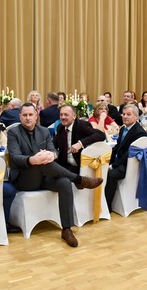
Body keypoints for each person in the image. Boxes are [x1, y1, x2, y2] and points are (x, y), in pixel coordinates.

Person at [7, 103, 103, 247]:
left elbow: (54, 150)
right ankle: (79, 179)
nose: (28, 118)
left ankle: (67, 229)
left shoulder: (44, 131)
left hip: (43, 177)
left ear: (36, 116)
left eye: (31, 115)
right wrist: (32, 160)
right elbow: (15, 157)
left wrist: (52, 155)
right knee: (41, 162)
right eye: (25, 115)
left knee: (64, 183)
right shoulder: (14, 132)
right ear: (20, 117)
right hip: (25, 178)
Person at [103, 104, 147, 209]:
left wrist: (113, 165)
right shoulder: (124, 129)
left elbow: (129, 154)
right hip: (121, 160)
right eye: (123, 114)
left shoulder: (139, 133)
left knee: (110, 174)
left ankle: (107, 206)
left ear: (136, 116)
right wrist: (106, 158)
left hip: (130, 165)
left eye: (128, 114)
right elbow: (117, 147)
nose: (125, 116)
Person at [54, 105, 105, 173]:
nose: (63, 117)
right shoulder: (60, 127)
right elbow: (54, 144)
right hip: (63, 164)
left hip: (78, 166)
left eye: (66, 115)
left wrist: (80, 143)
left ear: (74, 116)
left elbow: (100, 135)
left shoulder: (82, 125)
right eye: (61, 114)